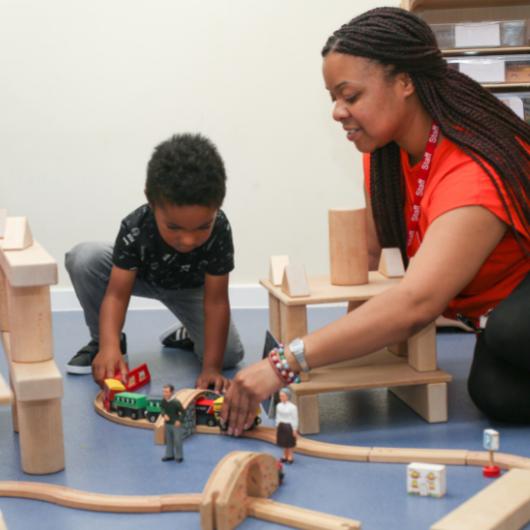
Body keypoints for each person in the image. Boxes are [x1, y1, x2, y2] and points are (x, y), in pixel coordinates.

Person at [221, 7, 530, 435]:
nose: (337, 112)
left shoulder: (472, 171)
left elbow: (417, 303)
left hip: (512, 315)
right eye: (333, 98)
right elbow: (371, 260)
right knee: (494, 393)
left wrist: (284, 363)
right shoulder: (384, 157)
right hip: (496, 312)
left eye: (350, 96)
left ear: (404, 82)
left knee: (512, 334)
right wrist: (350, 360)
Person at [65, 133, 244, 392]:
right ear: (151, 201)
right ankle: (105, 344)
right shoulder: (135, 226)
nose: (188, 240)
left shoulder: (221, 228)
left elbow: (216, 301)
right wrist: (109, 345)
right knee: (84, 258)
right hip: (141, 277)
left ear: (218, 206)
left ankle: (189, 332)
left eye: (202, 227)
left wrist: (211, 368)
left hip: (191, 291)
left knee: (228, 356)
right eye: (174, 227)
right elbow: (116, 296)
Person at [160, 384, 185, 462]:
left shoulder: (176, 402)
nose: (165, 394)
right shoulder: (163, 401)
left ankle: (179, 456)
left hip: (175, 425)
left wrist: (179, 420)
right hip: (167, 424)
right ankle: (169, 455)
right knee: (169, 440)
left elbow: (183, 412)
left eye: (167, 392)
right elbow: (161, 408)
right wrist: (164, 414)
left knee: (177, 441)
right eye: (164, 392)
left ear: (171, 392)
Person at [275, 388, 298, 464]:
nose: (281, 397)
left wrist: (294, 429)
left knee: (289, 442)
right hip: (281, 425)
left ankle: (290, 456)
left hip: (289, 426)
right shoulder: (278, 406)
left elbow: (295, 418)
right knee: (284, 442)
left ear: (287, 396)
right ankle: (285, 455)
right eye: (280, 396)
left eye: (283, 396)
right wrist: (277, 425)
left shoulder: (293, 407)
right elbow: (278, 416)